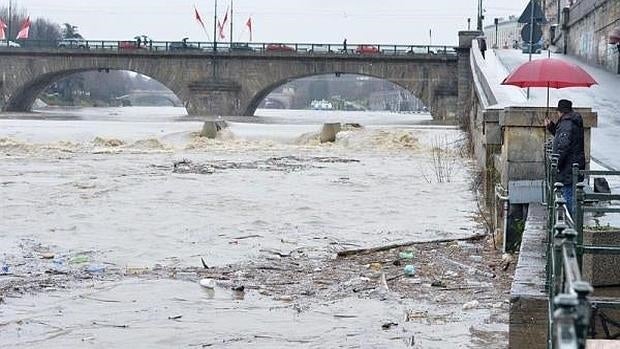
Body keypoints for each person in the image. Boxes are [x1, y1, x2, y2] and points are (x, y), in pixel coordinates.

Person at [545, 99, 586, 214]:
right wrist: (551, 127)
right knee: (570, 195)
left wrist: (557, 164)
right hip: (574, 164)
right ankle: (571, 224)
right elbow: (563, 138)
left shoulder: (567, 123)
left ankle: (570, 227)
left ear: (561, 111)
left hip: (568, 167)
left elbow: (563, 145)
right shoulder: (570, 121)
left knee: (568, 197)